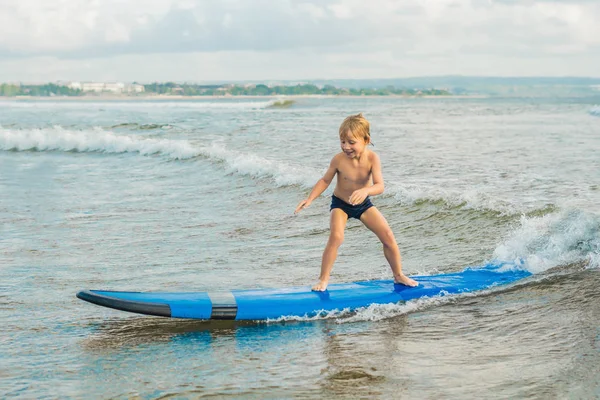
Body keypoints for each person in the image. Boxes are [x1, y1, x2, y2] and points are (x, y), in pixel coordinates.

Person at [295, 113, 418, 291]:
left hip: (363, 204)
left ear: (366, 139)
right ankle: (323, 280)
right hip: (340, 204)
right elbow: (325, 181)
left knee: (388, 237)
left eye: (351, 142)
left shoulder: (372, 159)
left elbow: (380, 186)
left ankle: (398, 275)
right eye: (343, 141)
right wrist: (309, 198)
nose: (346, 146)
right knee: (336, 237)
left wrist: (366, 190)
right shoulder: (338, 159)